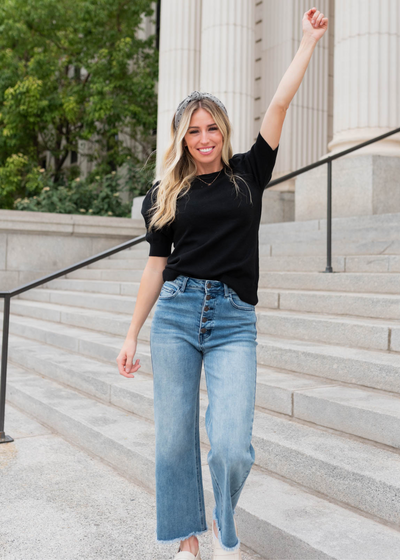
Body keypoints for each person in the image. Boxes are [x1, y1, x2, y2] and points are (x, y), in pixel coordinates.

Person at [116, 7, 328, 559]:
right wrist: (131, 334)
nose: (205, 138)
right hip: (178, 316)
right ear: (182, 139)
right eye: (194, 131)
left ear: (224, 131)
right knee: (173, 441)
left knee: (232, 446)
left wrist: (306, 41)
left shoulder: (250, 172)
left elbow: (278, 103)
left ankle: (224, 529)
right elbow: (155, 268)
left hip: (234, 320)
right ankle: (189, 541)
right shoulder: (163, 196)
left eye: (212, 128)